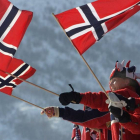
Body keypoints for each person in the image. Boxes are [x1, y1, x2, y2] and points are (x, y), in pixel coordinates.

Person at [41, 60, 140, 140]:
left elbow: (89, 115)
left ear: (127, 81)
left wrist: (77, 99)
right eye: (109, 82)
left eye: (114, 81)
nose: (110, 85)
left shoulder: (128, 94)